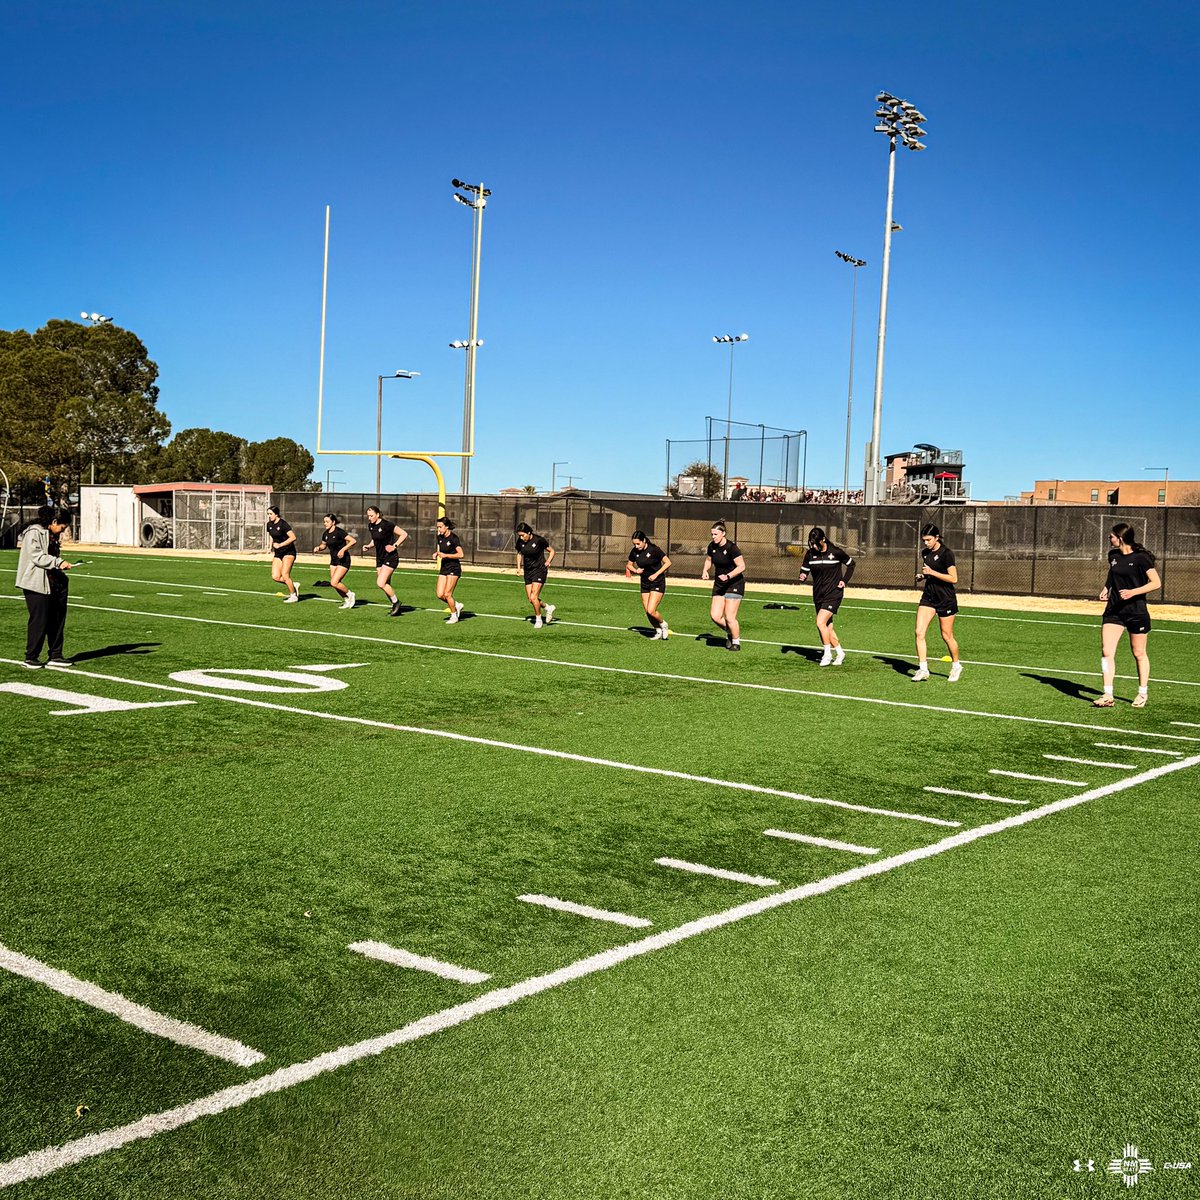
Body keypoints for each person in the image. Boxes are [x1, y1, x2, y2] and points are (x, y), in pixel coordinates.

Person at [1094, 522, 1160, 708]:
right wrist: (1106, 588)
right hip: (1114, 611)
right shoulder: (1113, 555)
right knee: (1106, 652)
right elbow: (1113, 574)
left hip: (1136, 612)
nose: (1109, 538)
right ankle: (1107, 694)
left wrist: (1134, 592)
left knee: (1138, 653)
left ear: (1120, 538)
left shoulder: (1141, 558)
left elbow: (1156, 583)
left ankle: (1142, 693)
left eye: (1111, 536)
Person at [16, 506, 75, 669]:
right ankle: (31, 657)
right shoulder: (33, 533)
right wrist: (58, 562)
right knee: (39, 620)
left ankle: (56, 655)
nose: (62, 531)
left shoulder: (52, 535)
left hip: (54, 582)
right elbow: (37, 556)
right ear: (54, 522)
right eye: (62, 527)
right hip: (36, 583)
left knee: (57, 619)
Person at [798, 527, 855, 666]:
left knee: (820, 622)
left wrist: (844, 580)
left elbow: (851, 564)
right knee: (827, 627)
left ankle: (827, 654)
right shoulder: (810, 554)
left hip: (834, 593)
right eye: (811, 544)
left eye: (816, 543)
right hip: (818, 594)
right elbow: (805, 568)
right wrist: (803, 575)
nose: (814, 547)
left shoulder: (835, 552)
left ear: (823, 540)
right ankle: (840, 653)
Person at [913, 523, 962, 682]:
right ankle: (923, 669)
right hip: (928, 597)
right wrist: (924, 576)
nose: (926, 543)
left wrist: (932, 572)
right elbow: (930, 573)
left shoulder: (947, 554)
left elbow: (953, 579)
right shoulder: (925, 553)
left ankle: (956, 666)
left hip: (945, 599)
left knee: (946, 636)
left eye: (928, 540)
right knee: (919, 632)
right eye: (924, 540)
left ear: (936, 537)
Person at [701, 520, 746, 651]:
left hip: (734, 583)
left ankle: (736, 642)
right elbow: (709, 560)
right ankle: (731, 632)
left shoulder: (732, 548)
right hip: (720, 584)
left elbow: (742, 566)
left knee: (730, 617)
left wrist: (728, 576)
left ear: (723, 533)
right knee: (715, 616)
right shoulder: (712, 547)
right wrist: (705, 570)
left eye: (715, 534)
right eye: (712, 534)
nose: (713, 537)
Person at [625, 530, 671, 639]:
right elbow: (629, 565)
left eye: (638, 543)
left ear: (644, 540)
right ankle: (658, 630)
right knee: (647, 612)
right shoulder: (634, 551)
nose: (636, 546)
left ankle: (663, 625)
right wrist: (636, 571)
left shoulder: (654, 549)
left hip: (657, 581)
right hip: (645, 583)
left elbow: (668, 562)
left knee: (651, 610)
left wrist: (656, 574)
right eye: (634, 544)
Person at [364, 506, 408, 616]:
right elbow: (375, 539)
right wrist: (369, 546)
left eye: (371, 516)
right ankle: (394, 605)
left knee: (380, 583)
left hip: (390, 557)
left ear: (378, 514)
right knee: (385, 584)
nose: (369, 518)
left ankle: (396, 603)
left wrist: (394, 546)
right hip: (380, 558)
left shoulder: (387, 524)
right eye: (368, 516)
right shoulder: (371, 526)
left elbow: (404, 534)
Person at [514, 522, 556, 628]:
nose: (521, 537)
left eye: (523, 535)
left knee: (534, 597)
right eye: (519, 535)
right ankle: (548, 607)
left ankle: (538, 620)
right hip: (528, 571)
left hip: (540, 570)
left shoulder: (539, 540)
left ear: (528, 532)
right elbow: (519, 554)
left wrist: (548, 561)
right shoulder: (520, 542)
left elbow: (552, 551)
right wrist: (518, 568)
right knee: (531, 599)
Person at [314, 514, 357, 609]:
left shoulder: (339, 532)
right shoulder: (325, 534)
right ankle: (346, 600)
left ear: (333, 522)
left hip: (343, 560)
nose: (325, 523)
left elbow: (353, 541)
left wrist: (343, 550)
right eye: (324, 522)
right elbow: (323, 545)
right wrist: (319, 548)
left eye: (327, 521)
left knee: (334, 582)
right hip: (333, 560)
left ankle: (350, 594)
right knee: (335, 584)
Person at [266, 505, 301, 602]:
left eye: (271, 514)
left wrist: (280, 545)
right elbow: (271, 537)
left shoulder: (283, 524)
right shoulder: (269, 524)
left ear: (276, 514)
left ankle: (293, 596)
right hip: (278, 553)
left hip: (288, 552)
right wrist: (269, 547)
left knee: (285, 575)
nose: (269, 516)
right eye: (268, 514)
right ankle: (293, 585)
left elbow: (293, 537)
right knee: (275, 576)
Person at [435, 518, 466, 623]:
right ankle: (456, 605)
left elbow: (461, 554)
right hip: (444, 567)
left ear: (446, 526)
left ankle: (454, 616)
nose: (439, 529)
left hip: (454, 568)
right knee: (440, 594)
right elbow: (440, 549)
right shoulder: (439, 537)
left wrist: (446, 555)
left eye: (440, 527)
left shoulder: (454, 538)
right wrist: (437, 553)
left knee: (447, 594)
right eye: (437, 527)